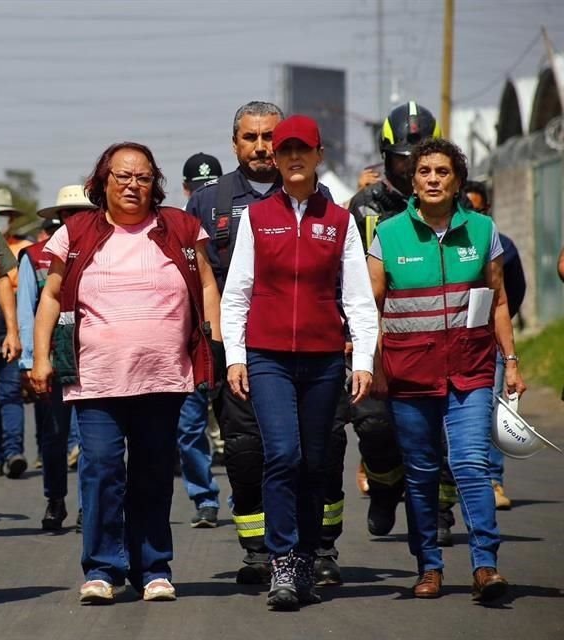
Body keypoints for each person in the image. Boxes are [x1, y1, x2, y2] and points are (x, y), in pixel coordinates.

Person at [31, 141, 220, 605]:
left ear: (154, 182)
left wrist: (214, 349)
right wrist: (40, 358)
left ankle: (153, 568)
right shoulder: (76, 232)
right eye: (123, 176)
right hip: (94, 379)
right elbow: (52, 296)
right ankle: (102, 568)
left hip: (163, 376)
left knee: (154, 473)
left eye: (143, 177)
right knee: (101, 471)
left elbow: (207, 285)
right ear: (103, 182)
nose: (133, 185)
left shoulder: (180, 227)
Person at [185, 101, 349, 586]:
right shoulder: (208, 201)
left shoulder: (314, 195)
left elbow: (346, 274)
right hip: (237, 346)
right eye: (249, 137)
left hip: (316, 346)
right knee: (246, 449)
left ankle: (320, 546)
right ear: (234, 143)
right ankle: (260, 550)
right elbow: (196, 277)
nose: (261, 147)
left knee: (324, 448)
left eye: (268, 138)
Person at [221, 115, 378, 611]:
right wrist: (235, 356)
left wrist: (365, 359)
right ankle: (283, 560)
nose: (291, 157)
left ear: (318, 155)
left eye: (301, 150)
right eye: (284, 150)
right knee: (282, 455)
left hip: (325, 359)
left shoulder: (339, 222)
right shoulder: (256, 217)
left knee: (316, 462)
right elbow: (236, 294)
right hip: (267, 357)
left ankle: (307, 555)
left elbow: (357, 298)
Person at [367, 138, 525, 601]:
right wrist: (372, 365)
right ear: (412, 181)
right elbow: (370, 305)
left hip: (471, 370)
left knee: (471, 464)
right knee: (420, 472)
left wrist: (510, 361)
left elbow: (499, 300)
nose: (433, 179)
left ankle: (485, 566)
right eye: (425, 172)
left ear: (457, 181)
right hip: (409, 375)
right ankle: (428, 568)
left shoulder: (482, 229)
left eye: (443, 172)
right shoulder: (389, 234)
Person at [347, 101, 442, 537]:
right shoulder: (364, 207)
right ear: (386, 156)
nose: (410, 170)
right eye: (402, 158)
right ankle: (385, 488)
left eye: (418, 159)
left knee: (438, 430)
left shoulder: (452, 205)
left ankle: (438, 511)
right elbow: (342, 274)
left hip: (438, 338)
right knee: (375, 426)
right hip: (378, 340)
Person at [433, 181, 526, 546]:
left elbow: (511, 293)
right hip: (439, 353)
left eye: (476, 207)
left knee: (491, 410)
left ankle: (492, 480)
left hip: (486, 345)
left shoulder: (498, 243)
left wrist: (501, 338)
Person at [16, 185, 95, 530]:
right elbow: (25, 312)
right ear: (58, 218)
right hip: (51, 354)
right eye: (68, 213)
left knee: (92, 437)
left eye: (81, 212)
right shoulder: (35, 256)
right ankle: (55, 500)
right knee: (53, 434)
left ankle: (87, 506)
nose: (74, 219)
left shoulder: (103, 249)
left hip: (92, 353)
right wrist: (29, 361)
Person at [177, 152, 224, 527]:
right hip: (190, 345)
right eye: (197, 189)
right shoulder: (176, 232)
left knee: (245, 431)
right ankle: (205, 498)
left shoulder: (236, 225)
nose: (203, 196)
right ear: (186, 190)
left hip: (234, 342)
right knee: (190, 428)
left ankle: (248, 501)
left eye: (210, 188)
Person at [0, 186, 28, 478]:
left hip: (10, 331)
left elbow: (25, 293)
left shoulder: (22, 249)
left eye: (3, 215)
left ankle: (13, 453)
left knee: (10, 395)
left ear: (11, 218)